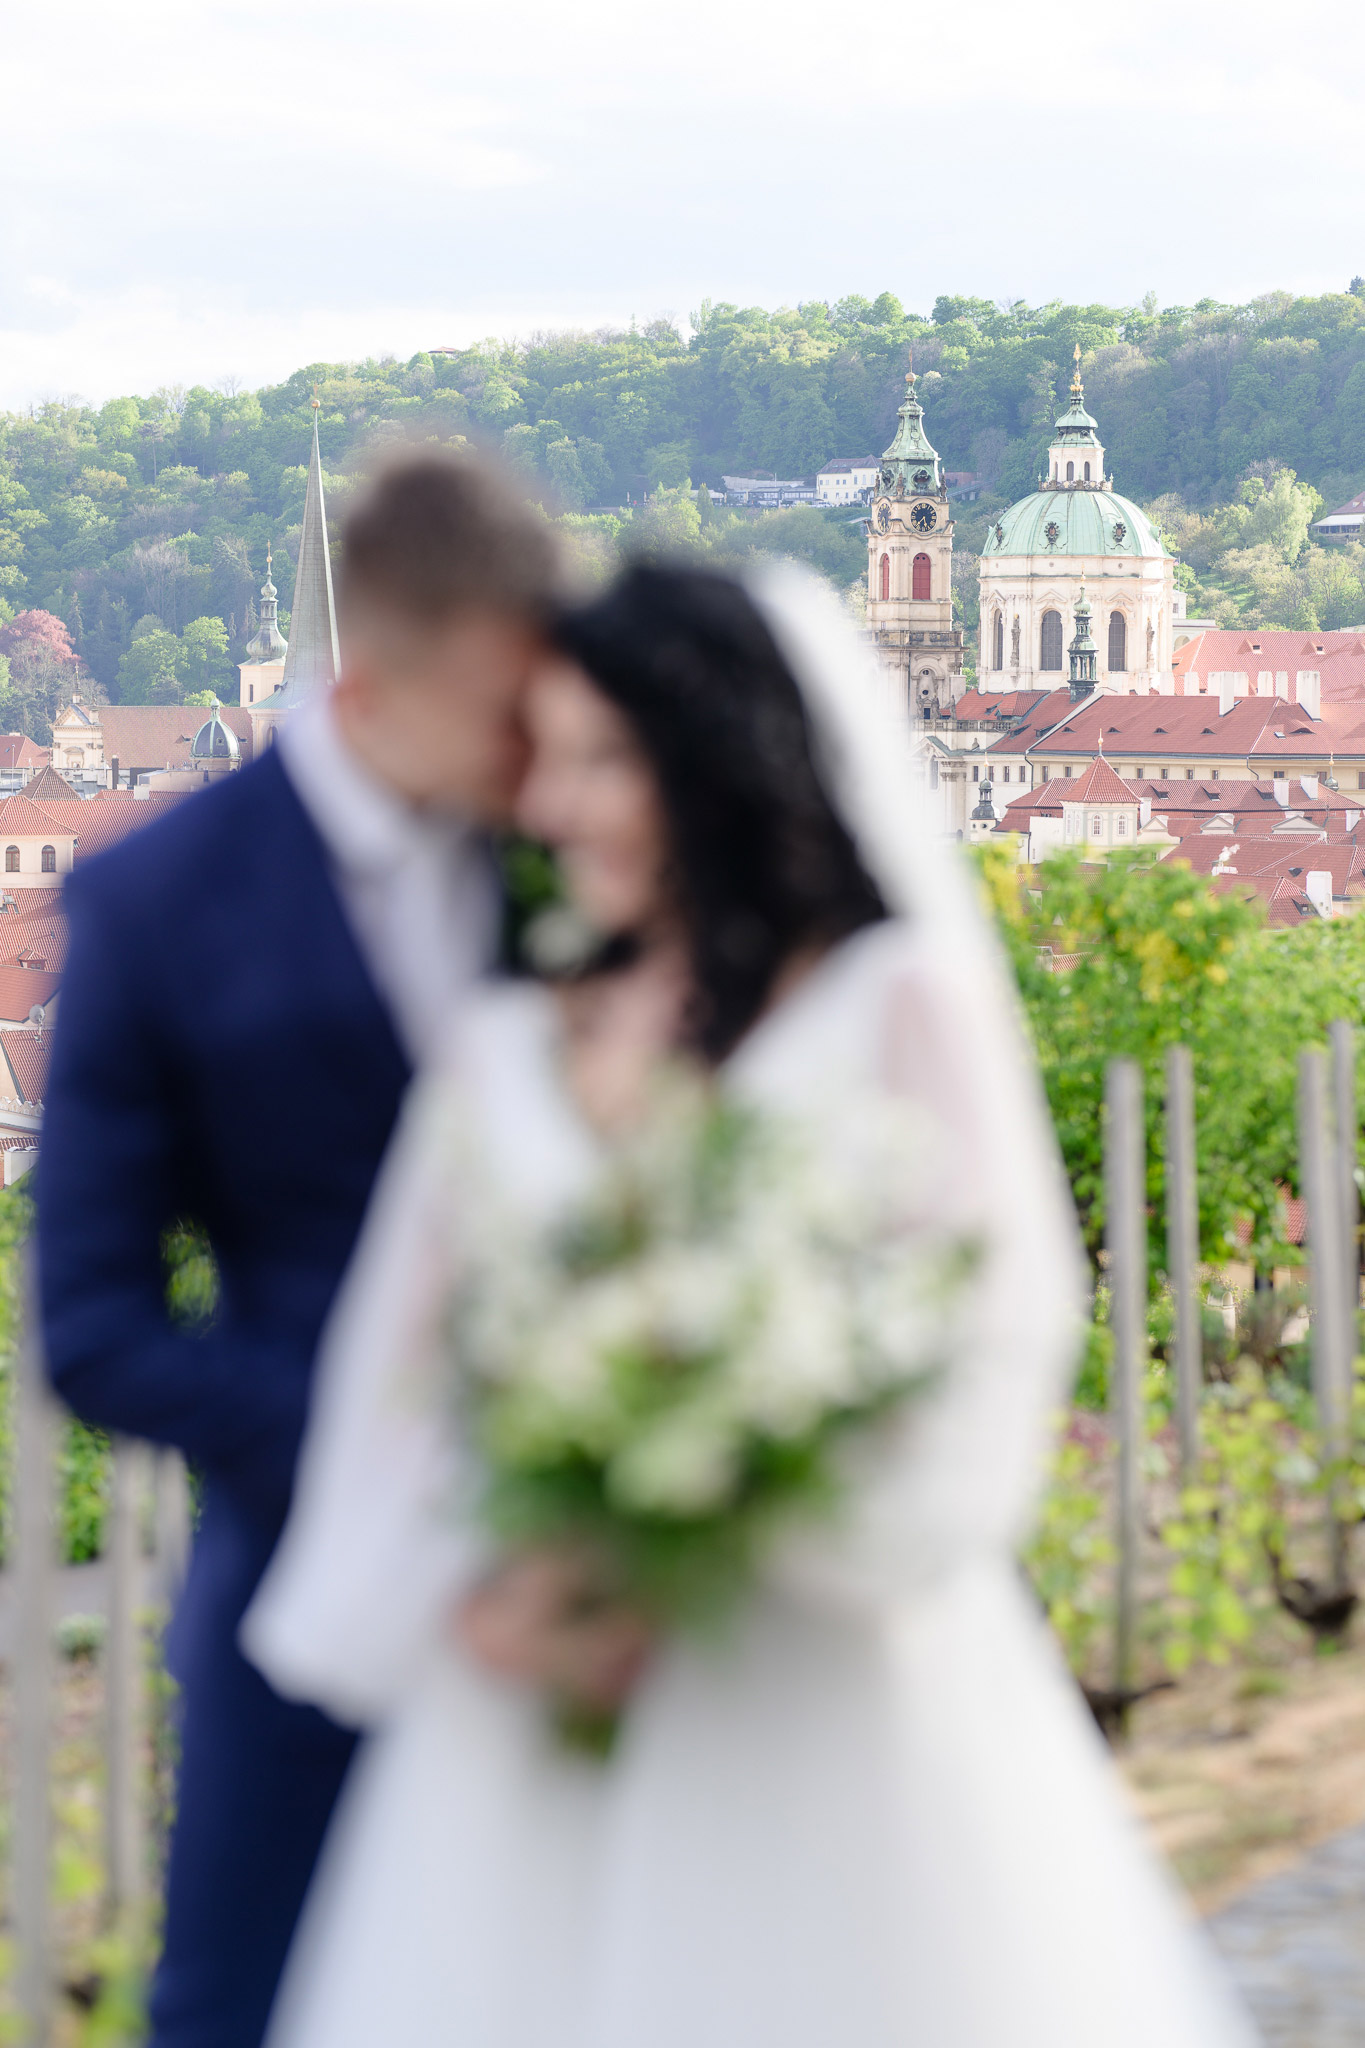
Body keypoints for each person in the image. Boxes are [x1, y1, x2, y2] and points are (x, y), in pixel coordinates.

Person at [244, 561, 1256, 2048]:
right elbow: (407, 1370)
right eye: (547, 757)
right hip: (546, 1687)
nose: (553, 810)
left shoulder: (890, 999)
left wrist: (766, 1526)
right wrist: (489, 1574)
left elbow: (1002, 1322)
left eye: (601, 759)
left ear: (709, 755)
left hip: (822, 1670)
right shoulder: (509, 1047)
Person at [36, 450, 558, 2048]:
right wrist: (385, 1440)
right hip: (306, 1583)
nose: (537, 743)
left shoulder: (566, 852)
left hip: (600, 1566)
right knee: (244, 2011)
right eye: (502, 701)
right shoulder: (157, 904)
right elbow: (94, 1326)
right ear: (388, 672)